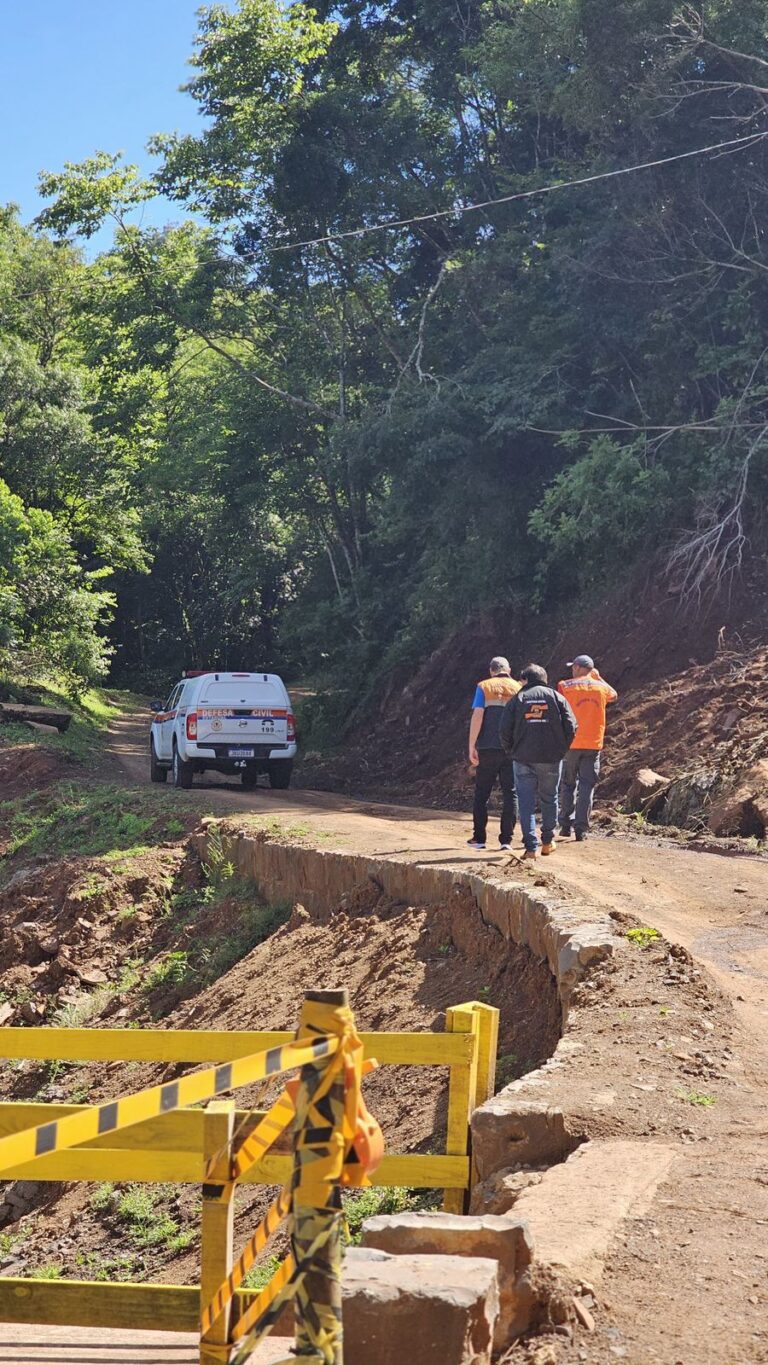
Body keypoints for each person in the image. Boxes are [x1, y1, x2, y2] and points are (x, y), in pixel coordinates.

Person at [499, 663, 577, 860]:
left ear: (525, 679)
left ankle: (530, 847)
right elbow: (571, 725)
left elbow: (504, 729)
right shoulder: (557, 697)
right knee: (549, 798)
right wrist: (561, 749)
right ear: (544, 679)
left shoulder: (517, 699)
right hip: (551, 759)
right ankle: (548, 841)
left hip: (522, 758)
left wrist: (511, 750)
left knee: (525, 803)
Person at [557, 654, 618, 841]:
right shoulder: (601, 688)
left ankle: (565, 825)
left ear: (576, 667)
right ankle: (581, 829)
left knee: (568, 784)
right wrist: (598, 678)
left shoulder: (565, 686)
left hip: (571, 743)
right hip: (593, 744)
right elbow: (614, 695)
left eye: (572, 667)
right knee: (586, 786)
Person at [467, 657, 521, 850]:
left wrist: (472, 745)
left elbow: (478, 715)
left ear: (491, 671)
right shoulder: (518, 688)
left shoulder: (484, 686)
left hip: (488, 747)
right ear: (509, 670)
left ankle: (479, 839)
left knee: (482, 793)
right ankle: (506, 840)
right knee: (511, 794)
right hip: (512, 749)